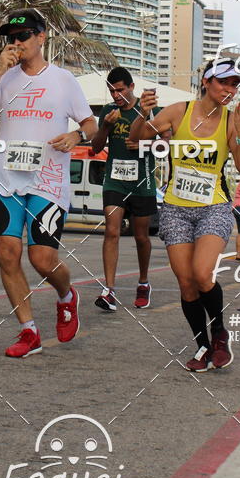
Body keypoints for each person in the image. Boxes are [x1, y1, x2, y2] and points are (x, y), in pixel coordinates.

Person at [0, 8, 97, 358]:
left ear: (41, 37)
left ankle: (67, 296)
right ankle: (29, 331)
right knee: (7, 254)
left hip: (48, 182)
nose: (17, 42)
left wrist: (75, 134)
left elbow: (92, 124)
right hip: (7, 179)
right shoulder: (5, 79)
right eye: (12, 38)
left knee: (42, 258)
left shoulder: (63, 80)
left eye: (24, 36)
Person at [129, 59, 240, 372]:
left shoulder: (229, 121)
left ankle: (220, 332)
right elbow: (138, 137)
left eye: (235, 84)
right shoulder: (178, 111)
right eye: (224, 82)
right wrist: (144, 113)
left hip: (213, 206)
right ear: (207, 81)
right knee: (186, 284)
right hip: (175, 209)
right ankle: (202, 345)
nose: (230, 89)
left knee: (201, 274)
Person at [90, 67, 166, 311]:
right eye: (112, 91)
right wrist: (105, 128)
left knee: (141, 236)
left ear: (131, 87)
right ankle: (109, 290)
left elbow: (166, 143)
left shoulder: (152, 110)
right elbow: (95, 147)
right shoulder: (108, 112)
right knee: (111, 231)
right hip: (114, 180)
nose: (116, 95)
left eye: (120, 90)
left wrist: (145, 144)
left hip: (142, 182)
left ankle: (143, 282)